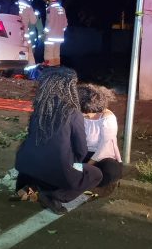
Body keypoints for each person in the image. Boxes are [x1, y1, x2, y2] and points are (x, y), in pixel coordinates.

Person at [14, 67, 103, 214]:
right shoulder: (73, 113)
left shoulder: (40, 108)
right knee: (95, 174)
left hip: (26, 164)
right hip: (58, 169)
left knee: (49, 165)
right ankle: (53, 196)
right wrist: (74, 164)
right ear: (70, 87)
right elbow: (81, 150)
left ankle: (31, 188)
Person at [78, 83, 123, 195]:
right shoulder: (80, 113)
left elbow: (104, 147)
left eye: (87, 114)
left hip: (101, 157)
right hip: (81, 153)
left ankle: (85, 180)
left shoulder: (108, 119)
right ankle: (80, 179)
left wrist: (87, 165)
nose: (83, 116)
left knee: (110, 170)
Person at [16, 0, 43, 68]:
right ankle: (30, 70)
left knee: (16, 50)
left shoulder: (14, 4)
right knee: (28, 52)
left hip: (12, 31)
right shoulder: (28, 7)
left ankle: (16, 69)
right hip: (24, 33)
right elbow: (33, 21)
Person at [40, 0, 67, 67]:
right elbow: (65, 23)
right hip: (59, 37)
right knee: (56, 53)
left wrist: (45, 33)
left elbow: (50, 22)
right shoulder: (62, 8)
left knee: (48, 52)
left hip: (50, 36)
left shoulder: (50, 8)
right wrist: (60, 31)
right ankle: (56, 67)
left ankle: (48, 67)